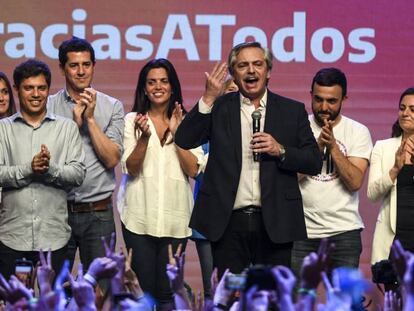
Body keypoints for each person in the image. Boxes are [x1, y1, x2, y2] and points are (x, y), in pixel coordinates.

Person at [175, 41, 322, 277]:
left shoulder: (292, 110)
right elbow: (184, 138)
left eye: (257, 64)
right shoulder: (219, 107)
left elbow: (314, 161)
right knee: (230, 298)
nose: (251, 71)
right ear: (234, 74)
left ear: (268, 71)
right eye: (243, 65)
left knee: (272, 298)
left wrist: (281, 150)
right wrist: (208, 98)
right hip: (228, 222)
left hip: (275, 222)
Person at [118, 58, 203, 310]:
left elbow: (193, 169)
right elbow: (131, 168)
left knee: (167, 293)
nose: (158, 87)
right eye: (151, 82)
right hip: (138, 218)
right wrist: (143, 139)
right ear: (144, 88)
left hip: (175, 220)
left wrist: (178, 135)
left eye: (163, 81)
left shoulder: (188, 121)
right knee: (141, 292)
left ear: (173, 86)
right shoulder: (132, 120)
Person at [0, 59, 85, 279]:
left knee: (53, 303)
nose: (36, 94)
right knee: (15, 304)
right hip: (13, 237)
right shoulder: (3, 129)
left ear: (48, 89)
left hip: (54, 238)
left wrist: (49, 169)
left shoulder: (66, 128)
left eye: (41, 88)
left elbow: (77, 174)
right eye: (29, 88)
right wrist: (29, 169)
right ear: (17, 90)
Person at [47, 37, 124, 272]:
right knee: (54, 291)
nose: (81, 71)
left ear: (93, 66)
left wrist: (90, 120)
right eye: (74, 65)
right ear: (62, 68)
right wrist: (72, 125)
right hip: (57, 212)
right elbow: (45, 156)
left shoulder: (112, 106)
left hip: (98, 213)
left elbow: (112, 158)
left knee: (102, 293)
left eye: (86, 64)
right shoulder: (48, 106)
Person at [292, 68, 373, 277]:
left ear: (344, 99)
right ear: (310, 95)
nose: (324, 107)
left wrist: (333, 147)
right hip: (300, 231)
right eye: (318, 100)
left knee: (343, 304)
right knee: (296, 302)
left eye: (331, 101)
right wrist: (316, 150)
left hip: (344, 232)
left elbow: (355, 182)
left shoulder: (358, 131)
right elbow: (288, 179)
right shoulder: (296, 126)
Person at [368, 87, 414, 264]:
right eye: (402, 108)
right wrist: (395, 169)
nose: (405, 113)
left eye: (412, 109)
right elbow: (372, 194)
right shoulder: (383, 147)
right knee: (393, 293)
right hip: (394, 241)